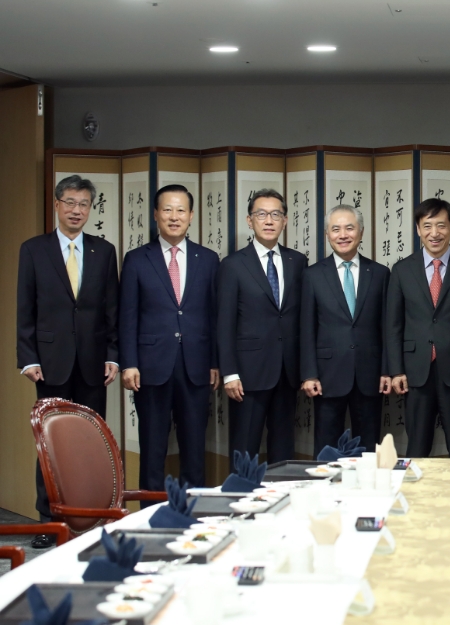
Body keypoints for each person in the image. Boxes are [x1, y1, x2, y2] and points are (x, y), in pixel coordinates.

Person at [17, 175, 119, 548]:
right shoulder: (34, 250)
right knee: (50, 444)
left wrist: (113, 354)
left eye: (84, 204)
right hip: (50, 361)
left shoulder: (103, 251)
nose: (77, 210)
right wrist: (27, 358)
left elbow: (112, 310)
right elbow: (25, 308)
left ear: (90, 209)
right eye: (70, 203)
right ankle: (49, 519)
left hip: (94, 364)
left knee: (90, 444)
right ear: (57, 205)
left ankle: (89, 519)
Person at [120, 184, 220, 494]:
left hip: (197, 365)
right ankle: (150, 517)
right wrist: (129, 363)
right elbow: (127, 315)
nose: (174, 216)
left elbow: (214, 315)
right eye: (167, 210)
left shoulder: (209, 258)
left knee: (193, 447)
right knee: (152, 447)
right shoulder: (137, 259)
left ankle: (191, 516)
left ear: (191, 215)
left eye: (180, 210)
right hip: (150, 367)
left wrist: (215, 362)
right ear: (155, 215)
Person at [386, 198, 450, 458]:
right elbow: (393, 325)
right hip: (415, 372)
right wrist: (396, 370)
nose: (435, 233)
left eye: (441, 225)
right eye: (427, 226)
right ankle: (415, 496)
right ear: (418, 230)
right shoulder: (401, 270)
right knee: (417, 447)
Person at [217, 189, 306, 466]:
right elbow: (224, 323)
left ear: (285, 221)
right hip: (247, 373)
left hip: (288, 372)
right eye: (262, 214)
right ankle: (241, 507)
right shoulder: (233, 265)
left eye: (276, 214)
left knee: (284, 451)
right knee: (245, 448)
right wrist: (230, 373)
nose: (269, 220)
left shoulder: (298, 262)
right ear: (249, 220)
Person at [301, 205, 391, 455]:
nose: (343, 235)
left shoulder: (381, 273)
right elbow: (307, 327)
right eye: (336, 229)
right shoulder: (312, 275)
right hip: (327, 375)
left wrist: (387, 370)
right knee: (327, 447)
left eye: (349, 228)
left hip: (370, 374)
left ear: (361, 232)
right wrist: (309, 374)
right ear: (327, 234)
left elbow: (387, 327)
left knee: (369, 444)